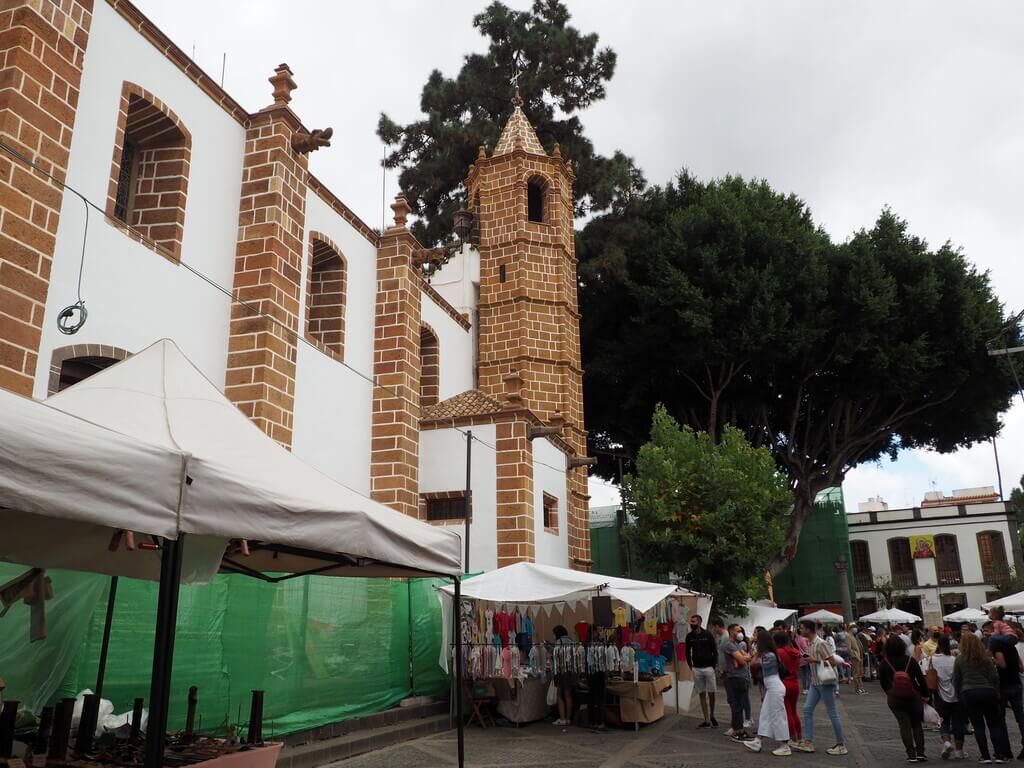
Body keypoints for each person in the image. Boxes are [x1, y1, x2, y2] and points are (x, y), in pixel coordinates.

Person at [791, 619, 848, 755]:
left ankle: (841, 745)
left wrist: (814, 660)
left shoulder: (821, 643)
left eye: (802, 628)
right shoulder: (810, 643)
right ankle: (808, 742)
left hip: (826, 683)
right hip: (815, 682)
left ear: (809, 629)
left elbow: (833, 662)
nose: (800, 630)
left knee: (832, 712)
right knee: (807, 709)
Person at [954, 630, 1012, 763]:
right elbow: (994, 677)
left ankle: (985, 756)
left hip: (968, 693)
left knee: (978, 725)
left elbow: (956, 679)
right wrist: (995, 691)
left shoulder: (960, 659)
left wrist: (958, 693)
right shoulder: (986, 658)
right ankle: (999, 755)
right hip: (987, 691)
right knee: (993, 724)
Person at [743, 629, 792, 756]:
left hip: (775, 687)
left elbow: (753, 663)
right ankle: (758, 741)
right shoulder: (768, 654)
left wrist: (753, 650)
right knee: (765, 714)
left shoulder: (768, 655)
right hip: (772, 688)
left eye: (757, 639)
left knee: (778, 717)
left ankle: (785, 745)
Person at [879, 634, 928, 762]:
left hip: (895, 698)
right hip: (913, 695)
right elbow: (921, 679)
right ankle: (921, 753)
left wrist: (890, 692)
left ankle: (911, 754)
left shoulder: (885, 662)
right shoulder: (910, 660)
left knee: (904, 725)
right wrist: (926, 694)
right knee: (916, 724)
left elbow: (883, 682)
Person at [927, 633, 966, 760]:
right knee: (958, 722)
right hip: (957, 695)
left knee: (943, 720)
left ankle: (947, 741)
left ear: (938, 645)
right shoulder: (954, 659)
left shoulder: (932, 659)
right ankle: (959, 751)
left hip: (940, 695)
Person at [989, 634, 1024, 756]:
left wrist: (993, 660)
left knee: (1000, 720)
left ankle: (1005, 751)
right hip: (1016, 684)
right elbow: (1021, 667)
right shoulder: (1013, 648)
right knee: (1021, 718)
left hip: (1003, 686)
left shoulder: (997, 648)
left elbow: (1002, 664)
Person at [685, 614, 719, 728]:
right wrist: (691, 667)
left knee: (711, 693)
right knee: (701, 693)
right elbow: (687, 652)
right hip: (697, 668)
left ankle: (712, 715)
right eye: (691, 621)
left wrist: (713, 666)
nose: (691, 623)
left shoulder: (707, 634)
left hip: (708, 667)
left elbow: (715, 651)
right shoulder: (689, 636)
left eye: (693, 621)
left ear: (699, 622)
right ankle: (706, 719)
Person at [721, 623, 753, 741]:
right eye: (737, 631)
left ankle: (740, 730)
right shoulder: (729, 645)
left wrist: (745, 657)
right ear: (731, 632)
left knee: (740, 705)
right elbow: (743, 659)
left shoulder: (736, 645)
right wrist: (745, 658)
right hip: (734, 678)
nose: (740, 633)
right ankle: (737, 732)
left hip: (741, 677)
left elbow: (747, 656)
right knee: (737, 706)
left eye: (740, 631)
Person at [775, 631, 803, 747]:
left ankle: (793, 738)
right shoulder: (796, 652)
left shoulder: (779, 652)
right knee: (794, 711)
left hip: (783, 683)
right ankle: (800, 736)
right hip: (795, 683)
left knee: (788, 713)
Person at [552, 625, 575, 726]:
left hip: (561, 671)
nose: (553, 635)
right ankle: (569, 718)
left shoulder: (558, 642)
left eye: (554, 633)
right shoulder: (571, 641)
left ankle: (562, 718)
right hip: (570, 670)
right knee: (568, 695)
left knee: (559, 695)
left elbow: (555, 656)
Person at [848, 623, 866, 694]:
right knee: (856, 673)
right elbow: (849, 649)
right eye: (854, 628)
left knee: (860, 673)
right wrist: (855, 655)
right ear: (851, 628)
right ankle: (857, 689)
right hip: (856, 657)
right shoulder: (848, 636)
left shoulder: (855, 636)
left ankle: (861, 687)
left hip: (860, 656)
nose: (856, 629)